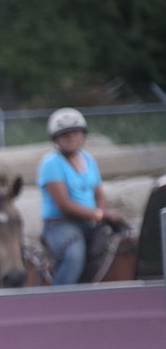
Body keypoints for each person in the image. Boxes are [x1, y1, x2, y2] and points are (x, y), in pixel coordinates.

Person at [39, 107, 124, 285]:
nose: (71, 138)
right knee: (74, 255)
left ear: (83, 135)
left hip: (88, 222)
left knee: (123, 242)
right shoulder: (51, 163)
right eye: (65, 134)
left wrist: (101, 213)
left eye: (75, 133)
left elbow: (98, 192)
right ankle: (60, 299)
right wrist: (101, 214)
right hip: (60, 225)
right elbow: (65, 204)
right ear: (56, 139)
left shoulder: (89, 159)